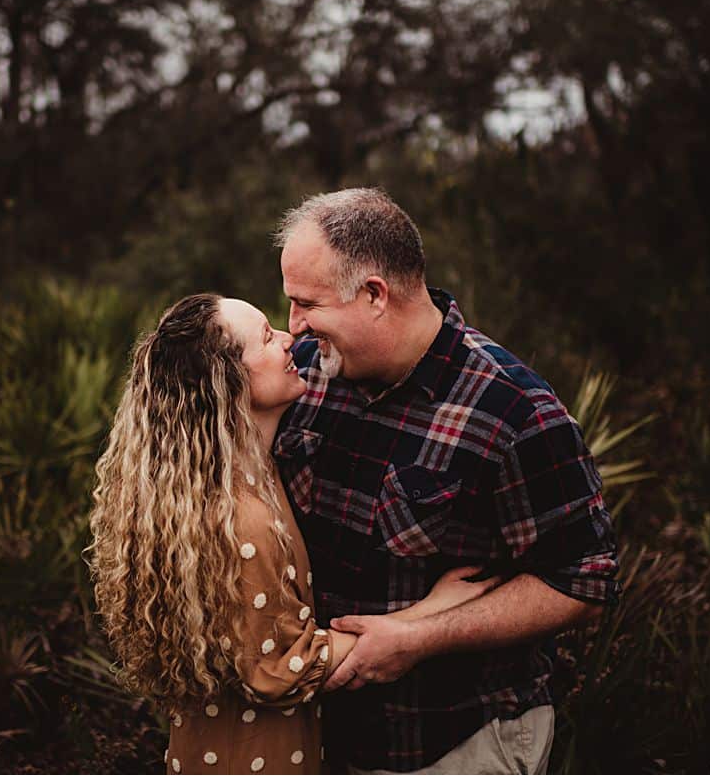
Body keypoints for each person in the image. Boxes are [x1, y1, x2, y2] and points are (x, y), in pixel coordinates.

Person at [273, 188, 622, 774]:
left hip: (454, 742)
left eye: (308, 303)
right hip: (318, 740)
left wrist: (422, 636)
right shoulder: (304, 374)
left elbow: (583, 585)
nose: (295, 327)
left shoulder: (514, 411)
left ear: (375, 295)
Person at [88, 293, 502, 775]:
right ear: (230, 381)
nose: (289, 340)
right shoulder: (242, 518)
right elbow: (278, 667)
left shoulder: (235, 482)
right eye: (266, 337)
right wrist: (428, 615)